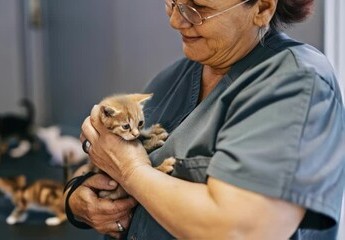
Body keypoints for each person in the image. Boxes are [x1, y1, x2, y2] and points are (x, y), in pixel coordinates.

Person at [64, 0, 345, 239]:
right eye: (174, 2)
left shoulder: (294, 82)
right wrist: (77, 200)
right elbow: (106, 161)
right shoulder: (174, 77)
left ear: (262, 7)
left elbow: (241, 229)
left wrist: (131, 170)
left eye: (198, 8)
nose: (176, 20)